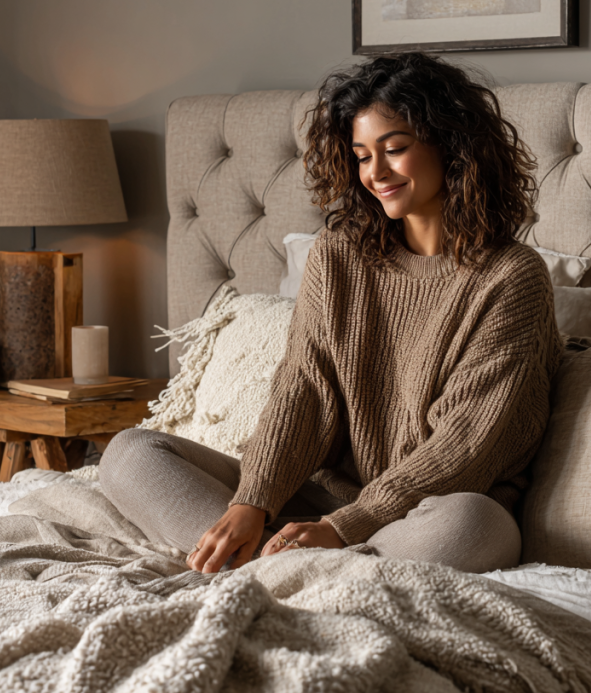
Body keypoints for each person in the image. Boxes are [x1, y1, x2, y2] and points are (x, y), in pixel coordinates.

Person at [99, 52, 562, 575]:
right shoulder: (339, 253)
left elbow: (468, 444)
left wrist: (344, 529)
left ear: (452, 146)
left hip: (432, 511)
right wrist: (252, 502)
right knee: (130, 453)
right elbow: (305, 385)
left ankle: (269, 569)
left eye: (395, 150)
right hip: (320, 505)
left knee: (475, 526)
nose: (376, 173)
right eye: (362, 156)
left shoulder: (512, 277)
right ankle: (284, 565)